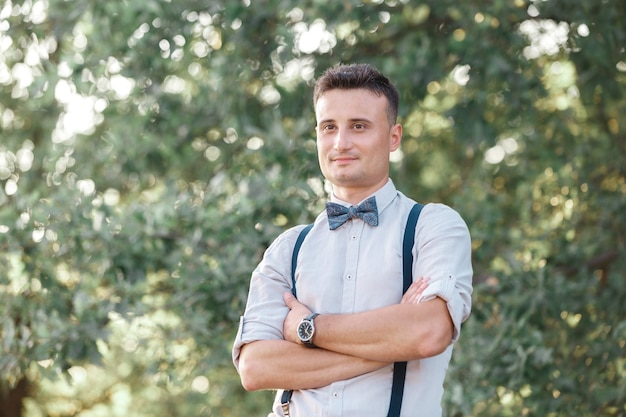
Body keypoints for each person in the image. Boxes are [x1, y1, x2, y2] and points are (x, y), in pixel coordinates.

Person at [232, 63, 473, 416]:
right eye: (329, 127)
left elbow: (427, 333)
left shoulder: (432, 226)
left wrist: (306, 327)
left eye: (359, 126)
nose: (341, 143)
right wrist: (390, 343)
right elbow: (255, 368)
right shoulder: (289, 248)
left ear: (393, 137)